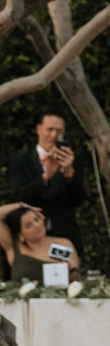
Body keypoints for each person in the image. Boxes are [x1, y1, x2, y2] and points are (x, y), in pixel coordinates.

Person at [9, 111, 85, 253]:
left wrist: (69, 173)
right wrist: (46, 176)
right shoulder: (21, 161)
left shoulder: (72, 163)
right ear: (38, 129)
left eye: (59, 131)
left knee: (67, 268)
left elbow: (78, 200)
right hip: (31, 242)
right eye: (49, 129)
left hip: (65, 239)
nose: (54, 135)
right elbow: (21, 195)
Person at [4, 204, 80, 284]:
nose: (36, 225)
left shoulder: (61, 244)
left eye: (36, 219)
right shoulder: (13, 247)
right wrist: (22, 205)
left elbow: (76, 279)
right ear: (20, 234)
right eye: (29, 225)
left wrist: (68, 271)